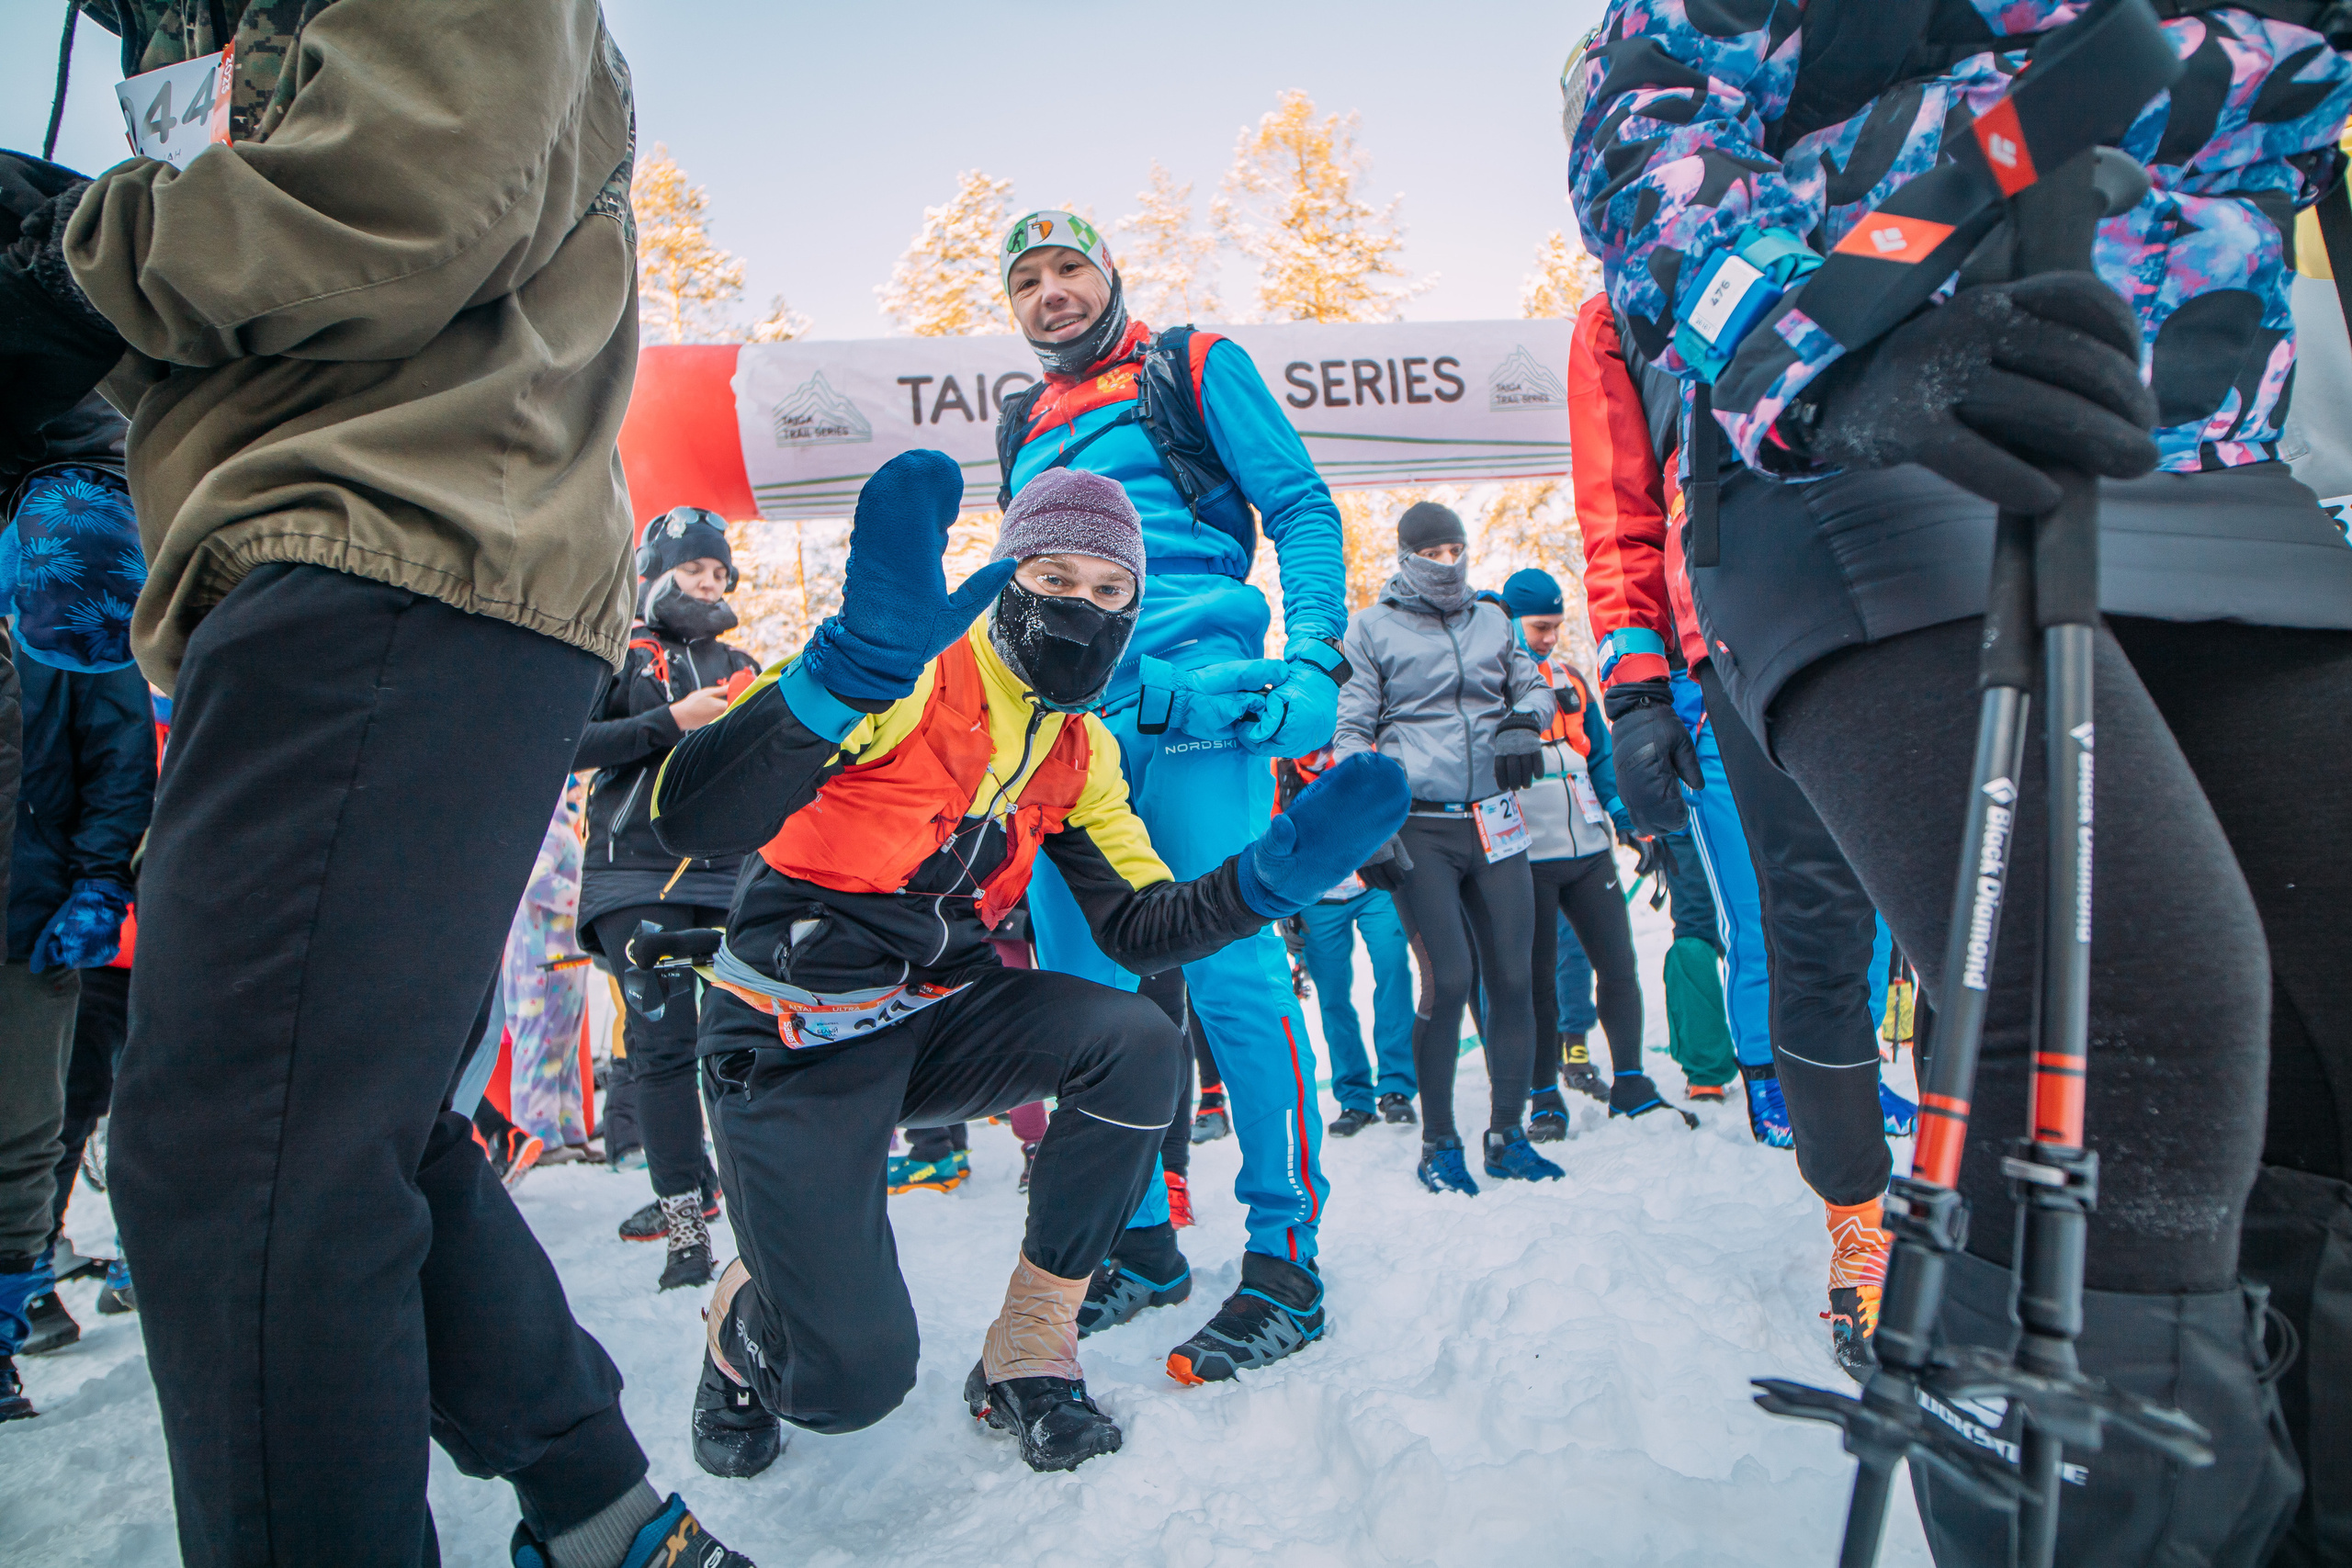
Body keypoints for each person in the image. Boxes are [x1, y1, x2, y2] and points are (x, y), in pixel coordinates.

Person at [1573, 0, 2352, 1552]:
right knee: (2127, 998)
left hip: (2197, 433)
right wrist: (1818, 351)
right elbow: (1642, 119)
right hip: (1872, 415)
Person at [9, 4, 756, 1560]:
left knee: (235, 1150)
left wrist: (74, 265)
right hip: (357, 554)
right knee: (342, 1118)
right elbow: (271, 281)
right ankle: (605, 1513)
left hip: (392, 546)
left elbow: (406, 198)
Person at [645, 455, 1405, 1475]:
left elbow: (1138, 925)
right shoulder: (906, 670)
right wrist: (839, 676)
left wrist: (1263, 884)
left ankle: (1029, 1347)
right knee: (846, 1387)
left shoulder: (1076, 749)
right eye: (1051, 579)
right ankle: (738, 1321)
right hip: (792, 1037)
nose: (1081, 608)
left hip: (928, 1019)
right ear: (1003, 578)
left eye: (1109, 591)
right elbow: (688, 812)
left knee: (1136, 1039)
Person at [991, 211, 1351, 1378]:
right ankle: (1138, 1243)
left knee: (1234, 970)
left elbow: (1297, 507)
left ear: (1109, 273)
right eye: (1027, 281)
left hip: (1199, 709)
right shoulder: (1020, 422)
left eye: (1068, 270)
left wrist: (1315, 662)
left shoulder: (1191, 364)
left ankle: (1285, 1257)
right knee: (1081, 998)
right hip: (1068, 732)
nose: (1051, 294)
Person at [1570, 288, 1915, 1375]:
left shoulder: (1893, 174)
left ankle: (1981, 1205)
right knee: (1802, 910)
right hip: (1749, 616)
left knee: (1971, 917)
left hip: (1931, 554)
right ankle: (1858, 1225)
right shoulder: (1618, 316)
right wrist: (1633, 690)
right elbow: (1617, 508)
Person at [1336, 502, 1589, 1196]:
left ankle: (1507, 1134)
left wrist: (1521, 722)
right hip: (1419, 824)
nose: (1447, 564)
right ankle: (1438, 1141)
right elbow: (1352, 731)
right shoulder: (1371, 628)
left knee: (1513, 977)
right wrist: (1371, 824)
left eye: (1456, 549)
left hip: (1496, 821)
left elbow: (1534, 687)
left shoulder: (1493, 619)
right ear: (1405, 556)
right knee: (1448, 978)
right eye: (1432, 553)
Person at [576, 506, 757, 1289]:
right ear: (656, 572)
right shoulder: (615, 654)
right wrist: (668, 722)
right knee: (661, 1049)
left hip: (728, 876)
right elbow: (568, 743)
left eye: (719, 572)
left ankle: (755, 1210)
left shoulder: (742, 660)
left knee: (740, 1048)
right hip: (631, 872)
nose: (708, 583)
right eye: (693, 569)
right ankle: (684, 1225)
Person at [1498, 569, 1656, 1143]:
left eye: (1557, 627)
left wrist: (1626, 823)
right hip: (1526, 859)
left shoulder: (1571, 677)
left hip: (1588, 852)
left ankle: (1633, 1082)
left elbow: (1601, 760)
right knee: (1537, 984)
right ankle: (1543, 1098)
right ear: (1511, 621)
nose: (1549, 638)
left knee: (1619, 968)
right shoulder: (1488, 683)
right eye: (1540, 627)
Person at [1276, 749, 1418, 1135]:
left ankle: (1396, 1087)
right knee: (1333, 997)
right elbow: (1272, 836)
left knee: (1393, 972)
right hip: (1318, 898)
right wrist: (1284, 910)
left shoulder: (1358, 749)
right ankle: (1354, 1096)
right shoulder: (1280, 767)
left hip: (1373, 887)